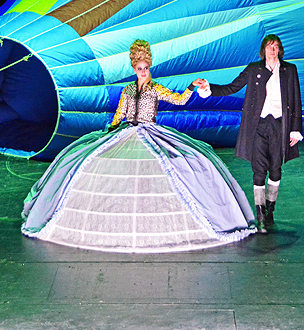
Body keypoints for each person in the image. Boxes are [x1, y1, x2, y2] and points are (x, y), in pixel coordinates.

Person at [22, 39, 254, 252]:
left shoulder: (156, 89)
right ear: (134, 69)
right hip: (126, 131)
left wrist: (192, 86)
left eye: (146, 68)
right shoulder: (129, 89)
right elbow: (120, 113)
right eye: (140, 68)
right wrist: (110, 131)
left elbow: (179, 100)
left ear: (149, 67)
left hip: (149, 130)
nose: (143, 72)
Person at [194, 34, 302, 232]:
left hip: (280, 126)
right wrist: (208, 87)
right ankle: (260, 214)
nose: (273, 50)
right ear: (263, 50)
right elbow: (231, 87)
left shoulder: (289, 70)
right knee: (259, 170)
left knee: (276, 169)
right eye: (269, 46)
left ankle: (270, 208)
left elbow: (296, 100)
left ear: (280, 49)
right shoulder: (254, 69)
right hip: (258, 126)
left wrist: (295, 129)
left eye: (276, 46)